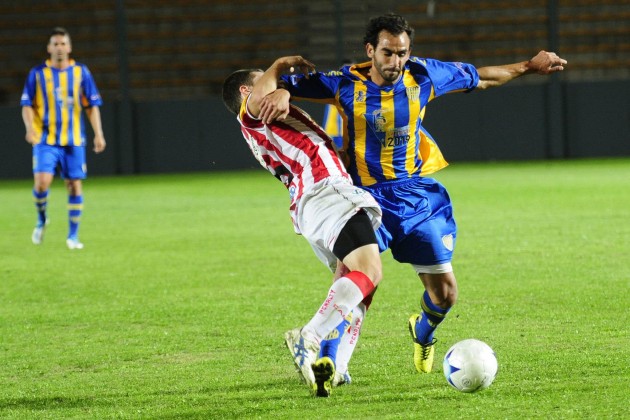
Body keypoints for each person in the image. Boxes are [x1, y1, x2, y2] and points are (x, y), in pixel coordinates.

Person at [266, 13, 567, 376]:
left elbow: (483, 77)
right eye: (388, 53)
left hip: (416, 198)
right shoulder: (344, 81)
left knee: (445, 295)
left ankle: (422, 331)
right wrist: (282, 89)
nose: (396, 61)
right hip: (364, 199)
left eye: (402, 53)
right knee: (355, 276)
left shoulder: (424, 75)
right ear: (370, 50)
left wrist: (529, 66)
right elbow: (275, 84)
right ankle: (327, 360)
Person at [221, 56, 383, 397]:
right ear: (246, 90)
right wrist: (280, 65)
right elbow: (266, 89)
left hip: (314, 201)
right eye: (263, 77)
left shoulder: (265, 122)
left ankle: (336, 364)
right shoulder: (253, 110)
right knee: (370, 271)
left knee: (358, 283)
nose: (276, 83)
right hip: (326, 190)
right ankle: (308, 337)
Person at [21, 27, 106, 250]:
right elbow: (27, 104)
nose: (59, 48)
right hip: (45, 139)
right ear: (49, 48)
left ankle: (73, 236)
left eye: (62, 44)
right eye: (55, 44)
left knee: (74, 186)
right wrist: (30, 128)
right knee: (41, 184)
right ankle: (41, 219)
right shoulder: (37, 74)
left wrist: (99, 133)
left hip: (74, 139)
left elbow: (91, 106)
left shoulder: (81, 72)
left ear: (69, 47)